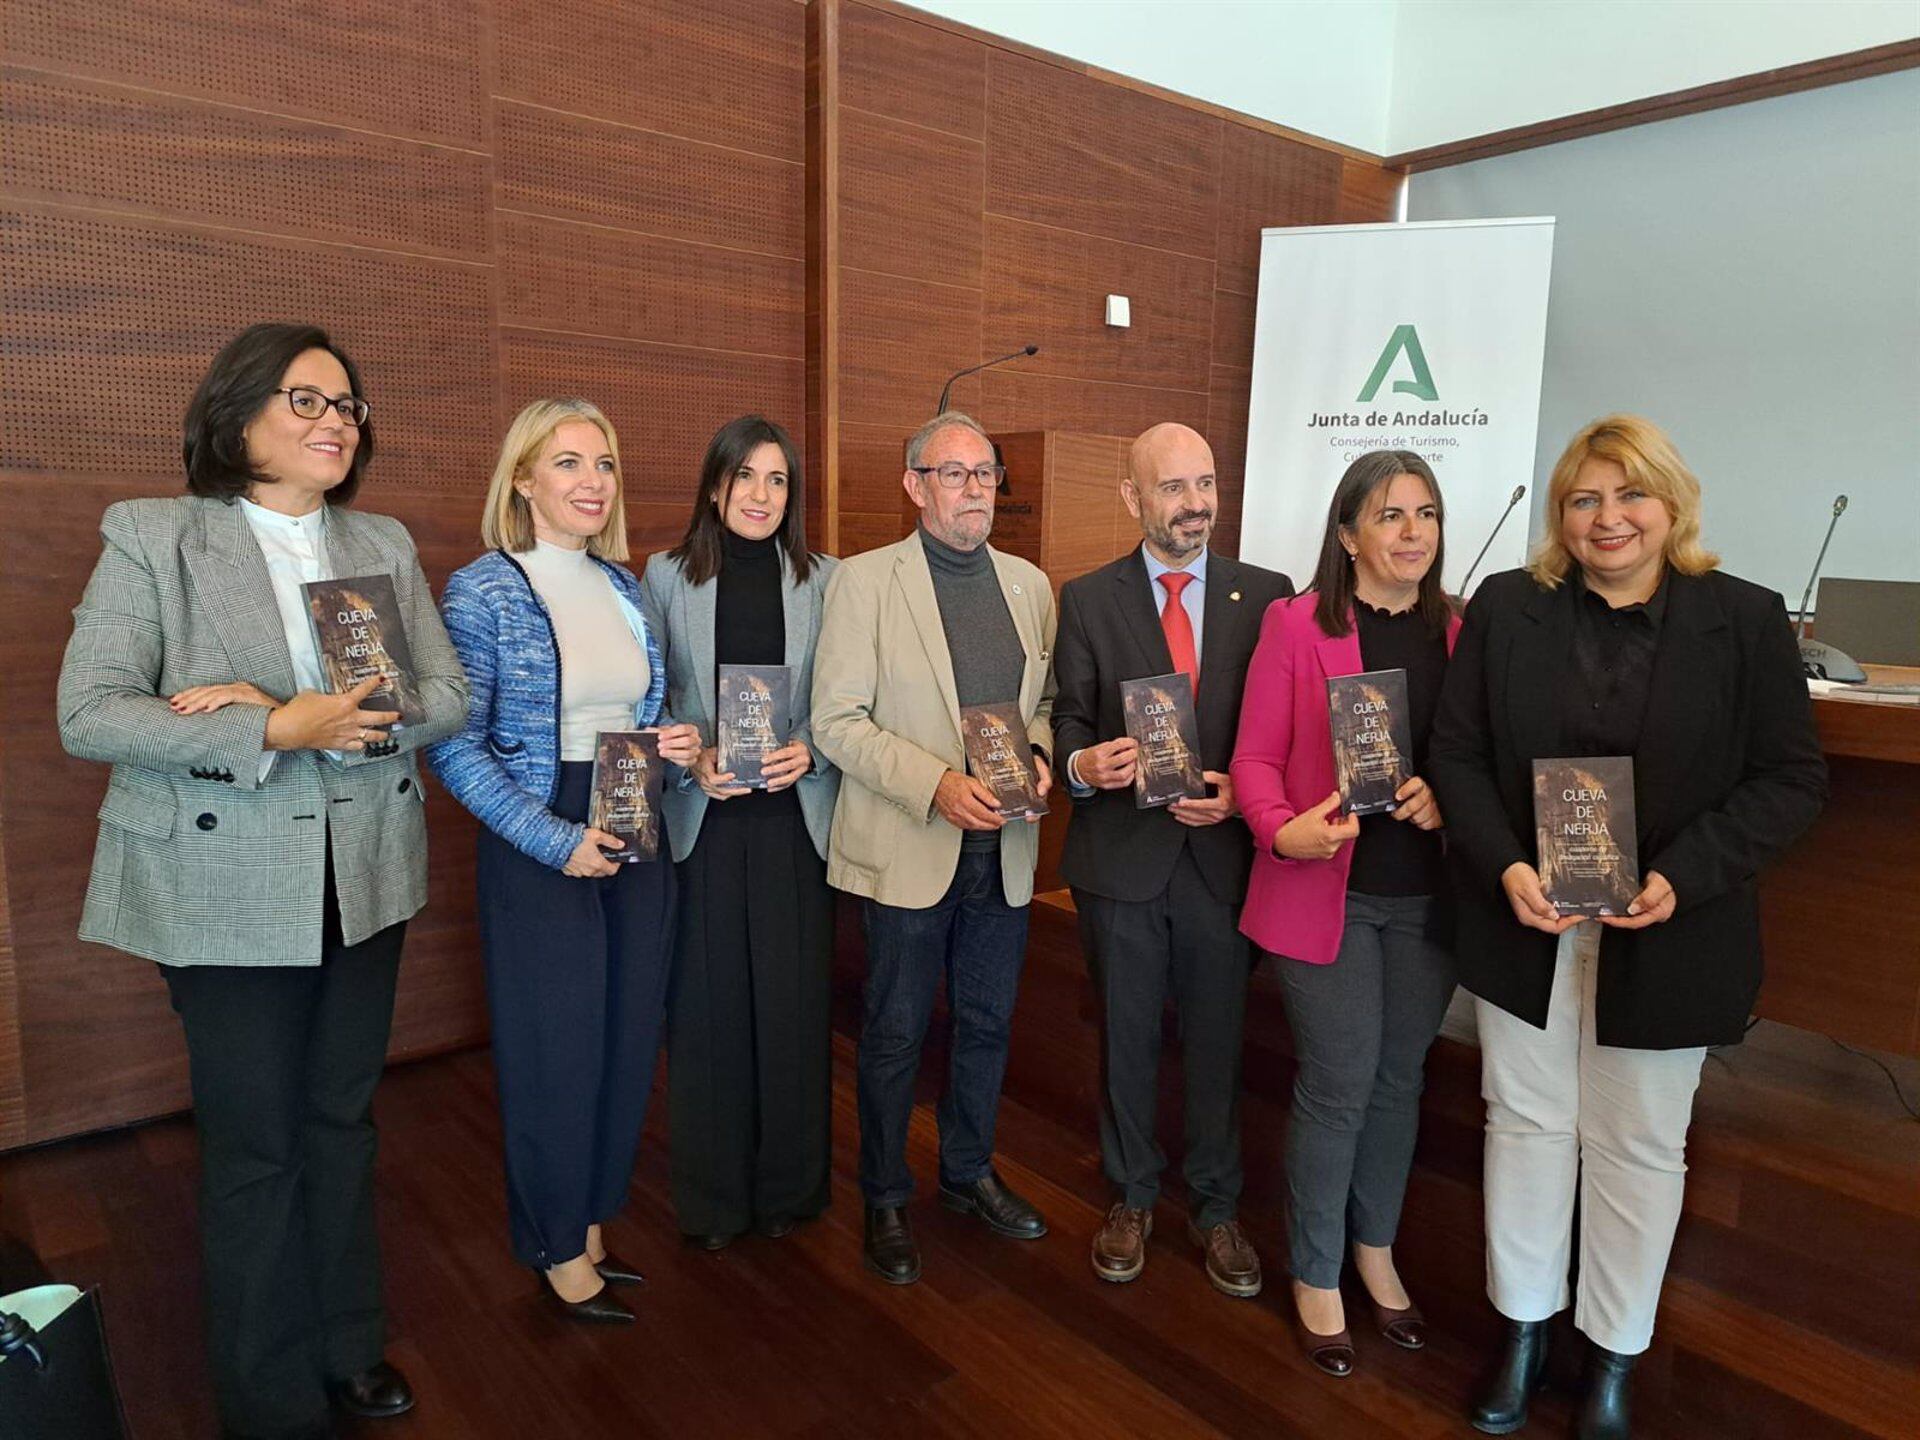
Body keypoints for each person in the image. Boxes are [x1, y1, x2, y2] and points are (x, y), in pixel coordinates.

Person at [57, 323, 469, 1440]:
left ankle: (348, 1342)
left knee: (342, 1121)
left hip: (363, 874)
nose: (337, 421)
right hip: (225, 878)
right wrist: (272, 721)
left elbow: (448, 693)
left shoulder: (377, 538)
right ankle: (269, 1393)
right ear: (238, 417)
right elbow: (89, 712)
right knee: (255, 1144)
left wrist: (348, 720)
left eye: (349, 405)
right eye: (307, 400)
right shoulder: (158, 535)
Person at [1427, 416, 1827, 1439]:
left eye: (1630, 495)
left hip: (1672, 930)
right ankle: (1521, 1328)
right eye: (1584, 499)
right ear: (1561, 516)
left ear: (1671, 504)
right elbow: (1458, 758)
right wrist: (1508, 866)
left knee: (1640, 1145)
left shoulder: (1742, 619)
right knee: (1525, 1124)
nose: (1608, 518)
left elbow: (1791, 779)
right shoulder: (1510, 608)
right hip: (1528, 919)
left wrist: (1681, 878)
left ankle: (1611, 1352)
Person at [427, 398, 701, 1325]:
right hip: (542, 836)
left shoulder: (625, 587)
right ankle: (551, 1242)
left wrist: (677, 745)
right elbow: (455, 747)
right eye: (569, 462)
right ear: (523, 480)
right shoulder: (483, 589)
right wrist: (554, 839)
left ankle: (588, 1222)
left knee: (625, 1038)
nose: (592, 482)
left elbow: (627, 717)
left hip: (637, 825)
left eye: (605, 464)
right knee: (556, 1050)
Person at [811, 410, 1056, 1286]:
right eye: (953, 474)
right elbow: (835, 722)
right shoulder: (866, 583)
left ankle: (967, 1172)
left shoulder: (1030, 585)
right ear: (914, 486)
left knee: (987, 1024)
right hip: (913, 842)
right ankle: (883, 1195)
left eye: (985, 473)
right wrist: (935, 785)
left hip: (1008, 853)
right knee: (894, 1031)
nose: (974, 489)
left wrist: (1038, 753)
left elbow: (1044, 704)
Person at [1050, 422, 1293, 1298]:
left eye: (1206, 483)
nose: (1195, 503)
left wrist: (1246, 795)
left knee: (1219, 1042)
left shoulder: (1268, 596)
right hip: (1122, 859)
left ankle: (1218, 1208)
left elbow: (1286, 731)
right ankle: (1132, 1195)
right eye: (1173, 487)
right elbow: (1066, 717)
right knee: (1125, 1037)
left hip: (1222, 860)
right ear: (1132, 498)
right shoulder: (1085, 598)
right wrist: (1085, 764)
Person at [1231, 451, 1460, 1376]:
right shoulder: (1296, 626)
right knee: (1340, 1077)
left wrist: (1448, 794)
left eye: (1427, 515)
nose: (1412, 533)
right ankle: (1318, 1269)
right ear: (1346, 533)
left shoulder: (1462, 632)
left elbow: (1475, 756)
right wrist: (1283, 834)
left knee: (1400, 1079)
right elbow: (1252, 759)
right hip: (1325, 893)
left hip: (1426, 900)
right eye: (1391, 515)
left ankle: (1376, 1248)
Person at [641, 416, 840, 1249]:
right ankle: (715, 1200)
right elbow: (649, 697)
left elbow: (845, 697)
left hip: (795, 820)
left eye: (778, 480)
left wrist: (813, 752)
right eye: (744, 477)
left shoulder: (827, 579)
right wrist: (692, 761)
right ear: (715, 486)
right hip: (708, 820)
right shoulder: (663, 575)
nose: (760, 495)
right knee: (709, 1009)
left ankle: (792, 1189)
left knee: (793, 1005)